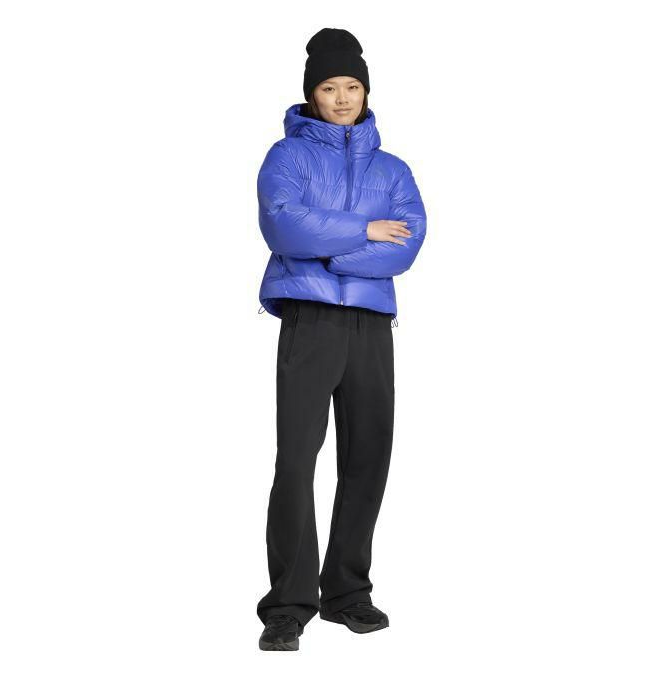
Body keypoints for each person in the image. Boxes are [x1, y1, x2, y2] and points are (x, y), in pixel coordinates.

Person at [255, 27, 427, 651]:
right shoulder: (287, 157)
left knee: (368, 455)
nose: (343, 97)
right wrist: (364, 230)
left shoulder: (393, 168)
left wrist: (330, 250)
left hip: (371, 325)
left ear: (366, 90)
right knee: (297, 461)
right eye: (330, 87)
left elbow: (407, 242)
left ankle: (347, 592)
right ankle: (288, 604)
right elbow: (284, 226)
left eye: (352, 85)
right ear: (313, 94)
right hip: (310, 319)